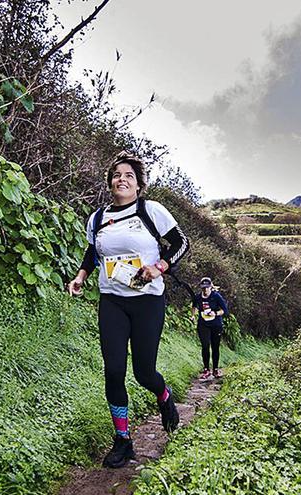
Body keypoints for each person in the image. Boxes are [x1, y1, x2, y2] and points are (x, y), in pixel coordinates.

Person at [67, 152, 190, 469]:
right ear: (110, 182)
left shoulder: (151, 211)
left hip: (147, 302)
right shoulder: (97, 218)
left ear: (138, 185)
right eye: (117, 175)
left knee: (144, 372)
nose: (122, 179)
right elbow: (92, 250)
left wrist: (159, 266)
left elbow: (180, 243)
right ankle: (123, 440)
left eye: (129, 176)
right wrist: (81, 276)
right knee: (114, 371)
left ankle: (164, 397)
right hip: (112, 301)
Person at [191, 277, 228, 380]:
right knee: (205, 345)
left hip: (216, 324)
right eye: (203, 288)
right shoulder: (198, 297)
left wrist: (215, 313)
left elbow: (224, 310)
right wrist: (193, 315)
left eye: (207, 288)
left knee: (215, 347)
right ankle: (206, 369)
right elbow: (194, 305)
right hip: (203, 324)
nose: (205, 290)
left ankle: (215, 369)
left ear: (211, 287)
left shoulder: (216, 297)